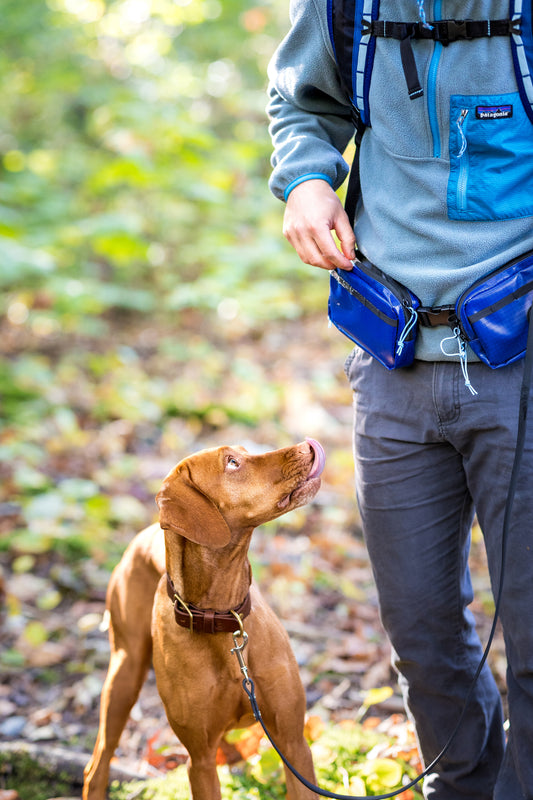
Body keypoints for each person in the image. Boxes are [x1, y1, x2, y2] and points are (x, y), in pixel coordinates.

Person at [267, 2, 533, 799]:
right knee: (420, 634)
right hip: (393, 354)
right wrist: (307, 182)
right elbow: (300, 102)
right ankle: (462, 782)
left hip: (519, 356)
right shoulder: (350, 6)